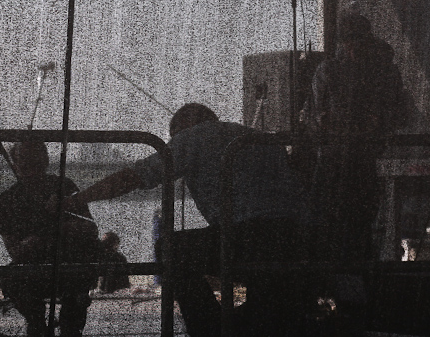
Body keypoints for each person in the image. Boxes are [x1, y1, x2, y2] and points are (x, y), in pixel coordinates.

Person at [63, 103, 311, 337]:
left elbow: (134, 177)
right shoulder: (261, 139)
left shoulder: (193, 137)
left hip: (246, 238)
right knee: (267, 287)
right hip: (297, 238)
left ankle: (209, 328)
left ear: (180, 131)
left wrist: (77, 199)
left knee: (171, 247)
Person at [304, 11, 409, 332]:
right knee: (352, 234)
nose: (352, 48)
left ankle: (348, 303)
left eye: (354, 41)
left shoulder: (336, 71)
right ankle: (358, 303)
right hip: (353, 164)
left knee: (341, 234)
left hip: (344, 164)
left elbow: (318, 119)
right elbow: (393, 116)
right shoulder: (380, 71)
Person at [0, 141, 100, 337]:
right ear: (15, 163)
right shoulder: (5, 201)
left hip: (69, 261)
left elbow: (90, 228)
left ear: (46, 161)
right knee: (11, 279)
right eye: (25, 161)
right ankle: (37, 323)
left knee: (81, 274)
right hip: (31, 266)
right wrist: (44, 235)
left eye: (36, 160)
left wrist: (61, 217)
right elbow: (16, 251)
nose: (32, 167)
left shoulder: (64, 186)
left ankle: (70, 323)